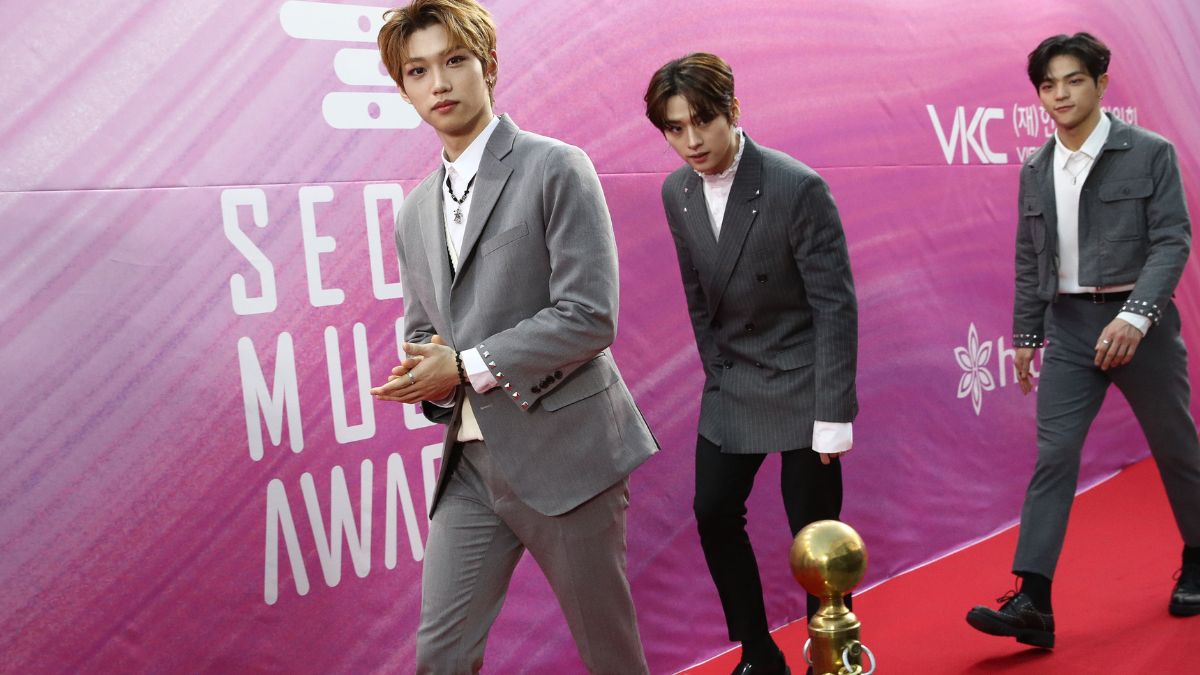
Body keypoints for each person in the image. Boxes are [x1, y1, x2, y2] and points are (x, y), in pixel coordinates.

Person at [370, 2, 658, 672]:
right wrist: (426, 380)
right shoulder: (413, 213)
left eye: (454, 61)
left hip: (568, 456)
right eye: (418, 70)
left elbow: (589, 314)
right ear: (404, 88)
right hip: (470, 468)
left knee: (609, 653)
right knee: (440, 655)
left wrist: (464, 365)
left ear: (488, 66)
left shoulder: (555, 167)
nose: (438, 82)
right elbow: (424, 335)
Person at [966, 32, 1200, 649]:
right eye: (1048, 85)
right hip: (1069, 327)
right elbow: (1029, 255)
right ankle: (1033, 602)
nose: (1060, 94)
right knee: (1054, 456)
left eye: (1073, 80)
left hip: (1139, 327)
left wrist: (1137, 315)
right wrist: (1025, 334)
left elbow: (1173, 239)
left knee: (1176, 447)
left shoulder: (1148, 152)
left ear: (1101, 83)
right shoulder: (1037, 167)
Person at [645, 53, 859, 675]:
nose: (690, 142)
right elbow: (695, 294)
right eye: (674, 129)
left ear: (733, 112)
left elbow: (835, 306)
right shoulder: (676, 191)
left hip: (802, 383)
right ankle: (758, 653)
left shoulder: (796, 186)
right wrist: (717, 371)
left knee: (814, 535)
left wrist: (833, 413)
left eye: (702, 123)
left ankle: (834, 651)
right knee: (713, 511)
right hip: (734, 383)